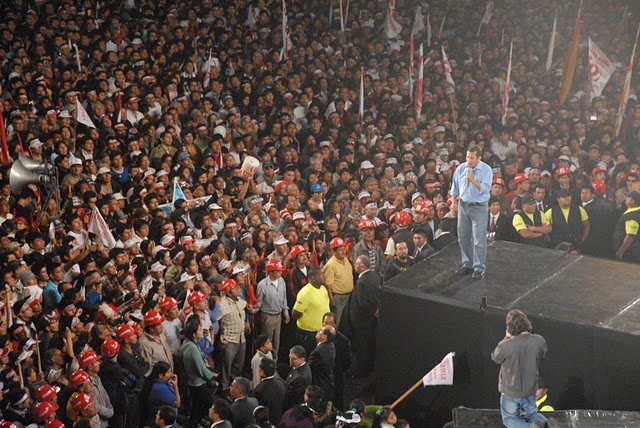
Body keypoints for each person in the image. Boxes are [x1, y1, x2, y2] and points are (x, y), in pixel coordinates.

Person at [491, 310, 548, 428]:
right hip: (530, 390)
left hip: (510, 392)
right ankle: (547, 424)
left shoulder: (505, 345)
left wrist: (507, 338)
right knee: (531, 414)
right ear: (526, 324)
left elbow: (495, 357)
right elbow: (543, 353)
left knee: (509, 419)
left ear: (510, 328)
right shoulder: (538, 341)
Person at [450, 145, 493, 279]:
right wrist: (453, 203)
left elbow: (485, 190)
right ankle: (467, 264)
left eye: (472, 157)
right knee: (463, 236)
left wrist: (472, 179)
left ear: (479, 158)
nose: (468, 160)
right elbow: (454, 188)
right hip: (463, 205)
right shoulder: (461, 168)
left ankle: (479, 267)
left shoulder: (486, 170)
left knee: (478, 239)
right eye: (467, 157)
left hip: (479, 207)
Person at [180, 314, 216, 427]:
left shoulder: (188, 343)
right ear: (194, 334)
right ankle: (196, 421)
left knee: (196, 404)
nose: (202, 331)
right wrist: (212, 375)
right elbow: (201, 369)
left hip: (192, 381)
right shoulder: (192, 348)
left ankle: (195, 422)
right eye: (200, 329)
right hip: (197, 382)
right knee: (208, 401)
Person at [350, 256, 382, 376]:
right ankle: (370, 367)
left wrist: (372, 311)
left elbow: (361, 302)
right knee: (370, 344)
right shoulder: (375, 276)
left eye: (356, 265)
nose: (354, 266)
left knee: (362, 346)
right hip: (371, 319)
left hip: (361, 320)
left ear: (362, 266)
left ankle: (362, 371)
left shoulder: (361, 282)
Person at [256, 258, 290, 362]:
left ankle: (273, 366)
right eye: (278, 271)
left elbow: (284, 298)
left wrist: (286, 313)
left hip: (278, 316)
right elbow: (259, 303)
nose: (280, 272)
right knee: (267, 344)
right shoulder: (262, 285)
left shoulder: (281, 281)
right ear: (271, 272)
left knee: (276, 344)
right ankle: (266, 365)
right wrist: (252, 309)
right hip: (267, 317)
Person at [218, 278, 248, 390]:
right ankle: (225, 388)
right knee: (226, 367)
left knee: (238, 366)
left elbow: (242, 311)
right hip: (229, 339)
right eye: (234, 288)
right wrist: (221, 335)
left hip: (241, 338)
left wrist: (245, 322)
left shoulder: (239, 300)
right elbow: (216, 321)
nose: (237, 289)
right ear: (229, 292)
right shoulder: (222, 304)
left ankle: (236, 387)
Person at [292, 267, 331, 356]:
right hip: (308, 334)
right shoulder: (305, 292)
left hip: (321, 331)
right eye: (321, 274)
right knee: (309, 357)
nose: (324, 276)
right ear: (313, 278)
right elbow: (295, 313)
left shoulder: (322, 288)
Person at [322, 313, 351, 410]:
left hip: (337, 378)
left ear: (335, 324)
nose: (328, 325)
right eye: (326, 323)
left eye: (330, 323)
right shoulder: (317, 336)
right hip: (321, 379)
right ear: (322, 323)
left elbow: (347, 362)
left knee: (337, 404)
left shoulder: (344, 341)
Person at [322, 237, 354, 326]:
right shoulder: (331, 264)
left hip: (347, 296)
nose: (343, 251)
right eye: (340, 250)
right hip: (337, 297)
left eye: (344, 249)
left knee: (344, 322)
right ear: (334, 251)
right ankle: (332, 338)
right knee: (335, 322)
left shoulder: (345, 259)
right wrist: (332, 300)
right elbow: (328, 284)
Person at [138, 361, 180, 428]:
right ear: (161, 375)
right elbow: (177, 403)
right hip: (161, 423)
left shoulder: (152, 383)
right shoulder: (161, 389)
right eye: (168, 372)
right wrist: (175, 386)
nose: (171, 374)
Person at [251, 358, 287, 424]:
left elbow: (257, 410)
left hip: (266, 423)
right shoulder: (281, 383)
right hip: (279, 421)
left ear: (262, 372)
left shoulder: (259, 390)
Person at [308, 326, 336, 401]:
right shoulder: (331, 345)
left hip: (319, 387)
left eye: (320, 330)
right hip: (328, 384)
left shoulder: (318, 352)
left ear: (324, 336)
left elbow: (309, 368)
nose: (318, 330)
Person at [613, 191, 640, 262]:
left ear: (633, 201)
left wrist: (620, 252)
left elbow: (630, 237)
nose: (626, 199)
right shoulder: (634, 211)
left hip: (629, 252)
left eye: (628, 198)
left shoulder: (632, 217)